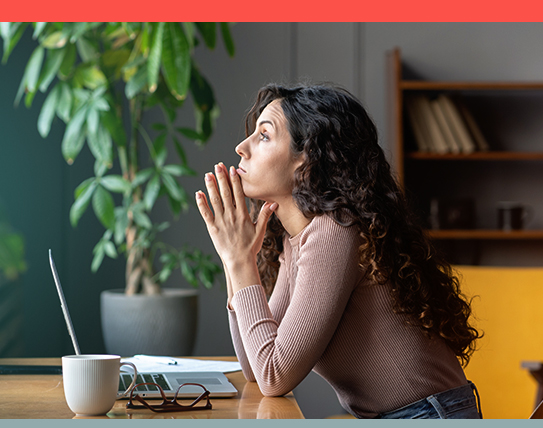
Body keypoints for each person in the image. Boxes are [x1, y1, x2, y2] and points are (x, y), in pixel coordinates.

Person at [195, 83, 482, 419]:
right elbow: (255, 368)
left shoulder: (336, 230)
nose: (242, 147)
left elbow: (274, 375)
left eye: (264, 135)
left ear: (307, 160)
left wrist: (241, 261)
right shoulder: (298, 240)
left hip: (430, 417)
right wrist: (234, 261)